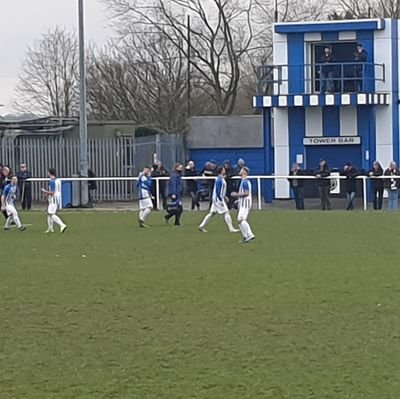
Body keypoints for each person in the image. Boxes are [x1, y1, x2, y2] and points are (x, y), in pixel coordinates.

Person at [198, 166, 240, 233]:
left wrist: (224, 196)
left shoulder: (220, 179)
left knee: (212, 213)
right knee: (226, 212)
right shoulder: (219, 180)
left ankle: (201, 226)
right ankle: (231, 228)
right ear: (221, 171)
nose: (224, 170)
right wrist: (221, 199)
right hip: (218, 199)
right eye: (223, 169)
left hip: (216, 199)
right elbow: (218, 190)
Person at [231, 167, 255, 244]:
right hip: (243, 202)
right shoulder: (244, 181)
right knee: (239, 219)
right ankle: (245, 236)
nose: (240, 171)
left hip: (245, 203)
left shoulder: (245, 182)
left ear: (244, 172)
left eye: (241, 170)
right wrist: (238, 200)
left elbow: (246, 193)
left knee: (241, 219)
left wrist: (236, 195)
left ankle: (250, 235)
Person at [41, 168, 67, 234]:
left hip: (54, 198)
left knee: (51, 213)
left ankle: (62, 225)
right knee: (49, 213)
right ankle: (50, 228)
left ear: (49, 173)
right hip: (57, 197)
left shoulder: (52, 181)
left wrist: (45, 191)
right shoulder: (58, 180)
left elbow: (52, 192)